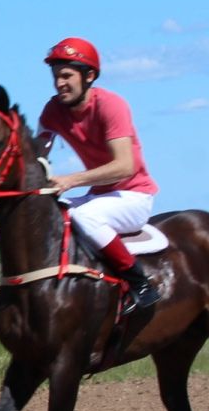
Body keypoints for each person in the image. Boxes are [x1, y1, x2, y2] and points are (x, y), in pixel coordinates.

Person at [35, 37, 162, 316]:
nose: (59, 84)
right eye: (56, 76)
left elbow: (125, 167)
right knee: (53, 215)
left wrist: (69, 180)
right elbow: (38, 156)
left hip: (134, 196)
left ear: (89, 76)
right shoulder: (53, 110)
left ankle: (139, 284)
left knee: (85, 216)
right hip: (100, 196)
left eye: (67, 76)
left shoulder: (111, 105)